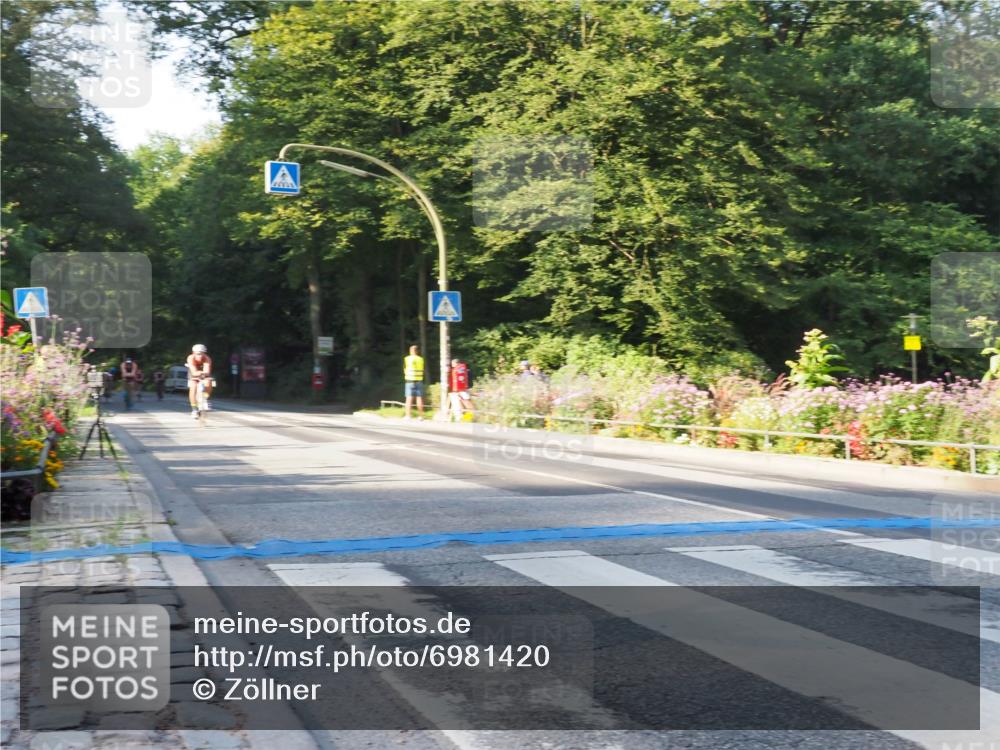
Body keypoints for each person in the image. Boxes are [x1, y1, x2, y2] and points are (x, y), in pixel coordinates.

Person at [186, 344, 213, 418]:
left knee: (209, 382)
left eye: (202, 354)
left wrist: (204, 375)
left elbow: (207, 371)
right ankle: (194, 409)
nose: (200, 356)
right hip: (192, 373)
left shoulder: (207, 358)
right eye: (198, 354)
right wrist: (200, 374)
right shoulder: (190, 358)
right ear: (193, 353)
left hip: (203, 373)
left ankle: (205, 399)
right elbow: (194, 372)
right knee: (193, 386)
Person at [403, 344, 425, 420]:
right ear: (417, 351)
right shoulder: (421, 359)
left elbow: (405, 369)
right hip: (419, 380)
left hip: (409, 381)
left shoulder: (407, 359)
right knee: (419, 398)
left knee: (409, 399)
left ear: (411, 351)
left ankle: (408, 416)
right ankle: (421, 416)